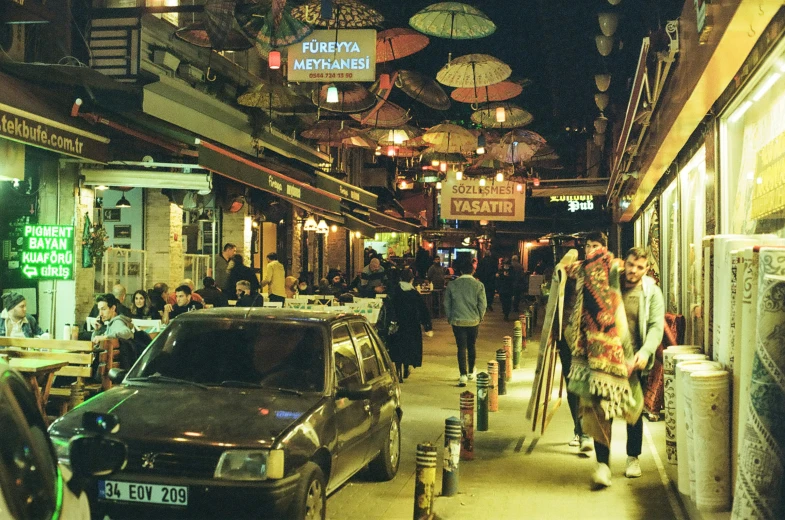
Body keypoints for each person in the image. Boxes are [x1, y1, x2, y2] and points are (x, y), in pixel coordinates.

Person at [566, 244, 664, 488]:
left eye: (639, 267)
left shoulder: (651, 293)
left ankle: (633, 457)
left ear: (646, 269)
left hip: (634, 360)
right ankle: (603, 465)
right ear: (625, 262)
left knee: (633, 411)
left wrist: (645, 352)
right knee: (601, 410)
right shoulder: (610, 281)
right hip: (605, 358)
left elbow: (655, 326)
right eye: (630, 264)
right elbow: (586, 274)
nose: (633, 270)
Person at [558, 232, 608, 454]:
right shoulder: (575, 271)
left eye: (595, 245)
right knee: (573, 386)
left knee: (591, 387)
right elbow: (560, 271)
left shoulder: (607, 272)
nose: (591, 250)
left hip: (595, 340)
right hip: (569, 337)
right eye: (588, 246)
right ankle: (580, 431)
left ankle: (590, 432)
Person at [444, 256, 487, 387]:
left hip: (457, 320)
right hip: (473, 320)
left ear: (461, 271)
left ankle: (462, 375)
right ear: (473, 271)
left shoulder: (452, 284)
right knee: (471, 346)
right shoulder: (478, 285)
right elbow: (482, 304)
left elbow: (446, 303)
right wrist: (480, 317)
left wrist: (450, 317)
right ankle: (471, 371)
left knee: (461, 347)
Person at [387, 269, 432, 381]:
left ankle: (398, 372)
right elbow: (423, 310)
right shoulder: (414, 293)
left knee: (398, 349)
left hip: (397, 324)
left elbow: (389, 308)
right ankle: (406, 369)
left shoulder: (395, 292)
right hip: (412, 325)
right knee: (408, 348)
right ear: (412, 279)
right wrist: (427, 326)